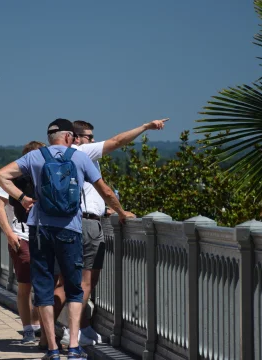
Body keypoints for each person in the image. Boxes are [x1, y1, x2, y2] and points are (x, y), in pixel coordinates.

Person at [0, 119, 135, 360]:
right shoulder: (79, 157)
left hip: (40, 229)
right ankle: (74, 348)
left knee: (45, 288)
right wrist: (121, 212)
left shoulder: (35, 157)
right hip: (70, 228)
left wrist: (24, 198)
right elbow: (105, 190)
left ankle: (52, 349)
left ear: (50, 137)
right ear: (70, 137)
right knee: (74, 288)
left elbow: (0, 176)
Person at [54, 118, 169, 346]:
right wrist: (146, 127)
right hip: (86, 225)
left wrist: (102, 209)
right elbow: (117, 142)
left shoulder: (59, 156)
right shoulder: (82, 151)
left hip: (66, 223)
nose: (93, 140)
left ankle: (55, 331)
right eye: (89, 136)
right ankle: (71, 332)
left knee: (66, 283)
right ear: (76, 138)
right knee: (84, 284)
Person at [0, 141, 45, 345]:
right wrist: (9, 233)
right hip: (21, 236)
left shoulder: (45, 176)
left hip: (44, 237)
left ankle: (38, 324)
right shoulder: (12, 179)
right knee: (26, 284)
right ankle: (28, 329)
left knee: (44, 284)